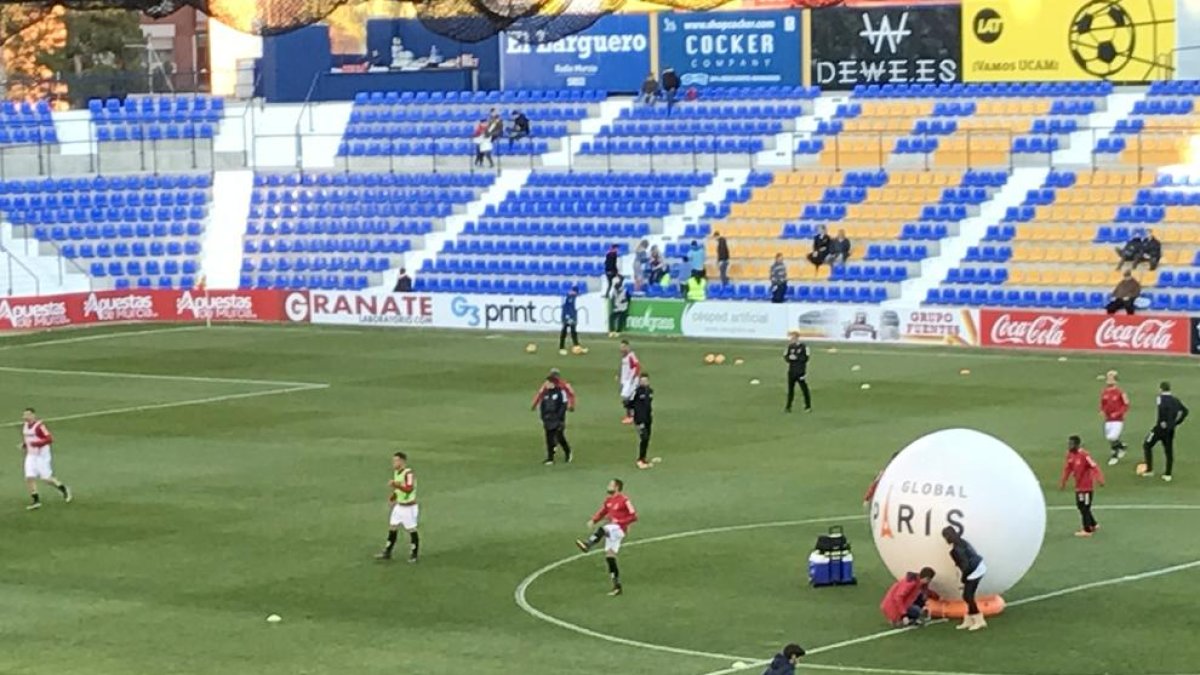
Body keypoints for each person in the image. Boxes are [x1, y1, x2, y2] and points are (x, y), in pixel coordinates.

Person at [575, 478, 638, 596]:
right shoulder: (608, 500)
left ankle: (588, 544)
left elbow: (633, 516)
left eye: (610, 485)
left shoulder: (625, 500)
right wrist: (593, 520)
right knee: (610, 557)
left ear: (617, 487)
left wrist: (620, 521)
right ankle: (617, 586)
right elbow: (603, 512)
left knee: (604, 529)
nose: (608, 486)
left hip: (620, 528)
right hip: (613, 529)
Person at [19, 408, 71, 510]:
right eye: (24, 415)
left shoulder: (39, 426)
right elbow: (28, 439)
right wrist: (25, 445)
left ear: (33, 415)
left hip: (42, 456)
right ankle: (36, 500)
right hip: (31, 455)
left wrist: (36, 444)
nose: (25, 417)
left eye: (27, 415)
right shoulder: (25, 426)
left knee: (46, 478)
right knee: (29, 477)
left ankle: (63, 488)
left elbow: (49, 439)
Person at [376, 451, 419, 562]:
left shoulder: (408, 473)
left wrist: (395, 485)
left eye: (396, 461)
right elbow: (398, 489)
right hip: (399, 506)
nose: (394, 463)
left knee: (411, 529)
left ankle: (414, 554)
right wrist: (393, 497)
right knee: (393, 527)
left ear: (402, 461)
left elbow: (409, 489)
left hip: (409, 507)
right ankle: (387, 552)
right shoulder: (396, 472)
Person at [942, 526, 987, 631]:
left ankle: (979, 620)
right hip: (977, 567)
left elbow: (965, 566)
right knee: (967, 596)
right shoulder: (961, 542)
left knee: (968, 596)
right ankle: (969, 619)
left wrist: (963, 579)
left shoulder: (956, 550)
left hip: (974, 571)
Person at [1142, 381, 1188, 482]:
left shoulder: (1160, 398)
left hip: (1159, 429)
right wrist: (1176, 422)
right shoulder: (1175, 400)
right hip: (1170, 429)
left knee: (1147, 445)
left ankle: (1149, 470)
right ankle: (1168, 474)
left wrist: (1163, 421)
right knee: (1168, 451)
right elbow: (1185, 411)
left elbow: (1162, 410)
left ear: (1161, 389)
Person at [1059, 435, 1105, 537]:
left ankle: (1087, 530)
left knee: (1085, 507)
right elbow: (1067, 469)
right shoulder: (1070, 455)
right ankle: (1093, 524)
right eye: (1069, 444)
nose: (1069, 446)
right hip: (1079, 487)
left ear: (1077, 445)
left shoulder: (1084, 455)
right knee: (1081, 506)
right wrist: (1063, 482)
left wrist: (1100, 479)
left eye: (1071, 444)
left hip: (1087, 487)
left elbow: (1094, 466)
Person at [535, 374, 574, 465]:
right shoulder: (546, 394)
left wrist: (559, 418)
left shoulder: (560, 393)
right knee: (549, 439)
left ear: (553, 383)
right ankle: (550, 458)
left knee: (559, 437)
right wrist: (543, 417)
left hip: (557, 419)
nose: (546, 384)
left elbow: (563, 406)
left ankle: (568, 452)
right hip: (548, 419)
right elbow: (542, 406)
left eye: (548, 382)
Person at [1100, 370, 1130, 466]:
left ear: (1115, 380)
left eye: (1111, 378)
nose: (1108, 379)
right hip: (1108, 419)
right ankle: (1122, 447)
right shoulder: (1104, 392)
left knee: (1112, 437)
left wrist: (1118, 413)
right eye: (1108, 377)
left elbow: (1126, 405)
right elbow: (1103, 403)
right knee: (1109, 438)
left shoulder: (1120, 392)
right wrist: (1102, 410)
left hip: (1118, 420)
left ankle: (1114, 456)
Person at [783, 331, 811, 413]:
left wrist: (796, 357)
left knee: (804, 389)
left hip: (800, 372)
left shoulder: (804, 347)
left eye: (793, 338)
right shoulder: (790, 347)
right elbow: (786, 357)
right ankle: (788, 407)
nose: (791, 339)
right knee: (790, 390)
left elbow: (806, 358)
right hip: (791, 372)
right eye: (791, 338)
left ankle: (808, 406)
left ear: (797, 338)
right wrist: (789, 358)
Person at [631, 374, 654, 470]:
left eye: (645, 381)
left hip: (648, 419)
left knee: (647, 438)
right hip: (640, 419)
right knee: (644, 437)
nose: (644, 382)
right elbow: (629, 403)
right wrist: (633, 413)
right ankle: (640, 459)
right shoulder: (636, 392)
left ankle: (643, 458)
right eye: (642, 381)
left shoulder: (650, 391)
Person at [618, 339, 641, 424]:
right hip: (626, 381)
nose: (622, 349)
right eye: (621, 347)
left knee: (627, 398)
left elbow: (637, 366)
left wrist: (634, 378)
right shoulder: (624, 357)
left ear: (628, 347)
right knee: (627, 398)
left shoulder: (631, 356)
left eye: (624, 347)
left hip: (631, 381)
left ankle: (631, 416)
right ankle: (630, 415)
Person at [558, 286, 582, 355]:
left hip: (572, 316)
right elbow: (566, 307)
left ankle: (577, 346)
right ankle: (561, 347)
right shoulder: (569, 297)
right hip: (567, 316)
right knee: (564, 331)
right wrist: (568, 317)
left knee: (573, 331)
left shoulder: (573, 297)